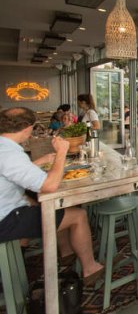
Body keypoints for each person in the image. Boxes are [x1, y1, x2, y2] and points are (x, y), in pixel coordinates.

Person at [0, 107, 104, 286]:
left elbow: (11, 171)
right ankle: (90, 267)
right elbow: (49, 186)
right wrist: (62, 153)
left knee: (47, 205)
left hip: (8, 208)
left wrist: (42, 161)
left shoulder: (5, 147)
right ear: (26, 128)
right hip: (5, 220)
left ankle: (66, 252)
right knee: (78, 216)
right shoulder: (11, 153)